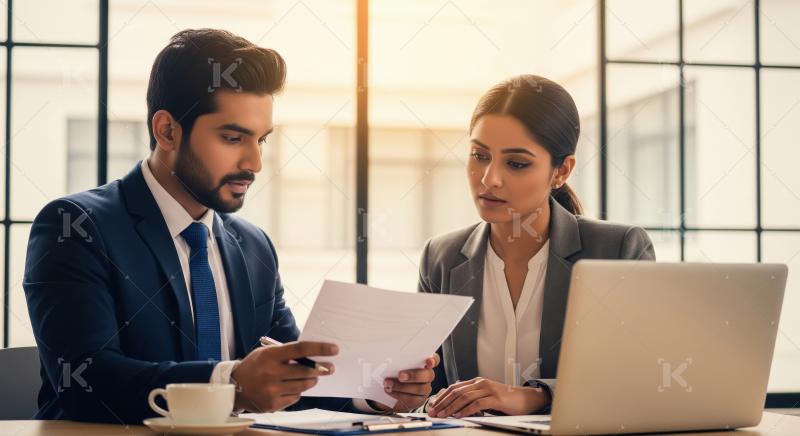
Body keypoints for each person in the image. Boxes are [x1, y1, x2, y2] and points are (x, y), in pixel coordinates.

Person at [23, 28, 437, 424]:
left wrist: (377, 392)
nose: (254, 163)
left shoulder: (254, 247)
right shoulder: (77, 228)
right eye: (233, 138)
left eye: (262, 140)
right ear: (167, 130)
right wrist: (232, 383)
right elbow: (85, 381)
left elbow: (293, 377)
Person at [418, 75, 655, 418]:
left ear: (561, 171)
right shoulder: (440, 258)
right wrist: (410, 393)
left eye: (516, 163)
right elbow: (431, 394)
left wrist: (536, 397)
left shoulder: (618, 250)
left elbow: (640, 378)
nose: (489, 179)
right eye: (479, 155)